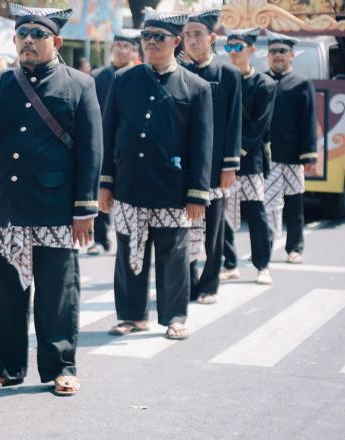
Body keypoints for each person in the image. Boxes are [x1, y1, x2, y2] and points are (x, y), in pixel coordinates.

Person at [0, 4, 103, 395]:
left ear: (55, 41)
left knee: (57, 293)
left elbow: (91, 150)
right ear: (14, 40)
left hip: (55, 207)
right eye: (23, 35)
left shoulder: (80, 85)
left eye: (38, 35)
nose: (30, 41)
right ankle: (7, 366)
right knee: (4, 293)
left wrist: (85, 209)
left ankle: (61, 367)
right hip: (7, 204)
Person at [99, 9, 213, 340]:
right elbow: (108, 136)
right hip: (129, 184)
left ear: (176, 42)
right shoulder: (124, 80)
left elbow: (202, 144)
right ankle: (133, 316)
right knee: (129, 252)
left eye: (158, 37)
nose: (150, 42)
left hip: (173, 188)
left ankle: (174, 316)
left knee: (173, 256)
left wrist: (197, 193)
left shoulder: (197, 87)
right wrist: (105, 184)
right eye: (145, 37)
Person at [183, 10, 242, 304]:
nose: (192, 41)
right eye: (188, 35)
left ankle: (209, 284)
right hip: (182, 166)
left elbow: (234, 123)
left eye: (198, 34)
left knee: (213, 230)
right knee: (183, 226)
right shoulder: (178, 72)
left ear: (212, 38)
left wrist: (230, 165)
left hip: (216, 166)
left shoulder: (228, 75)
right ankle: (187, 282)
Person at [220, 28, 276, 285]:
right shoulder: (222, 80)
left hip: (250, 159)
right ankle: (230, 262)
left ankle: (262, 265)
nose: (233, 53)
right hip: (224, 161)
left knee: (255, 212)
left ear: (252, 50)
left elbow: (259, 127)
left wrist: (235, 152)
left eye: (238, 47)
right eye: (229, 48)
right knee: (224, 214)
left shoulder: (265, 84)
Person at [264, 30, 317, 264]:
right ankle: (264, 247)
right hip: (267, 156)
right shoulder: (261, 81)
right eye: (273, 51)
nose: (277, 56)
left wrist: (309, 156)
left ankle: (295, 248)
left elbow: (308, 122)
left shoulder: (301, 84)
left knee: (294, 204)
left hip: (293, 155)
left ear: (292, 55)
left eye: (282, 51)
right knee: (267, 205)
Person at [87, 28, 141, 256]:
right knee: (99, 189)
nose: (120, 50)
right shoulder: (98, 77)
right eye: (117, 46)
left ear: (134, 51)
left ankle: (130, 238)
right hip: (101, 142)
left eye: (126, 47)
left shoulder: (140, 77)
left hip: (129, 146)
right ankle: (100, 239)